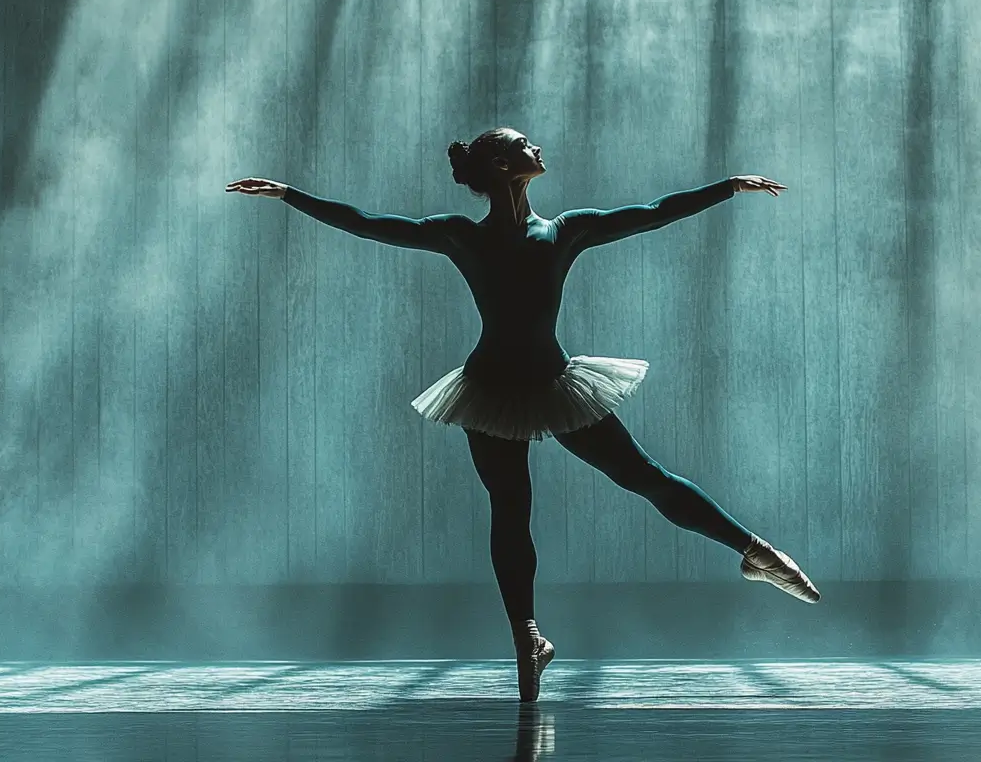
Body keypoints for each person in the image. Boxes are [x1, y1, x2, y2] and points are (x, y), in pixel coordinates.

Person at [226, 127, 819, 703]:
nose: (537, 148)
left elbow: (654, 210)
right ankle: (526, 640)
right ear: (505, 167)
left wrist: (727, 187)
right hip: (489, 388)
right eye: (523, 145)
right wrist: (288, 195)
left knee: (643, 477)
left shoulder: (565, 231)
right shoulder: (461, 234)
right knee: (511, 509)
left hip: (552, 381)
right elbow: (370, 224)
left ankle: (757, 553)